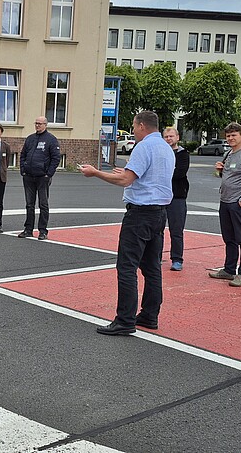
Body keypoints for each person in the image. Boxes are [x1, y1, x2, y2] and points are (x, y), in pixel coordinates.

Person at [79, 111, 174, 336]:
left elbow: (125, 180)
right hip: (159, 213)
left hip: (140, 214)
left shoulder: (143, 147)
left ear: (142, 126)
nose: (132, 130)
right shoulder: (166, 148)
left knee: (127, 266)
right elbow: (146, 176)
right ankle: (150, 315)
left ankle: (125, 319)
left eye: (133, 125)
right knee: (152, 268)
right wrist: (128, 173)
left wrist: (95, 173)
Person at [208, 122, 241, 287]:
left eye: (234, 135)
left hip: (239, 203)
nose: (230, 138)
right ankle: (229, 270)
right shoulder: (229, 153)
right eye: (228, 135)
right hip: (225, 201)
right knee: (229, 238)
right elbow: (229, 175)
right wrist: (220, 170)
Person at [19, 116, 61, 240]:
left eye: (40, 123)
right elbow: (23, 155)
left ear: (45, 125)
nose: (37, 125)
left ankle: (43, 231)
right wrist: (23, 170)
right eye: (36, 123)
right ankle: (28, 229)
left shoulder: (51, 140)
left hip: (43, 177)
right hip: (29, 176)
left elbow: (56, 158)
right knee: (29, 204)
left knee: (43, 204)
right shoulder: (30, 138)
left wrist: (49, 174)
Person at [164, 127, 189, 271]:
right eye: (166, 136)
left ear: (177, 137)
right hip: (160, 196)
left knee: (176, 230)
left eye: (171, 136)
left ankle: (177, 259)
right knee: (156, 229)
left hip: (177, 196)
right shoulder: (161, 153)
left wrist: (164, 172)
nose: (168, 139)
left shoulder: (183, 154)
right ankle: (155, 257)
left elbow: (180, 172)